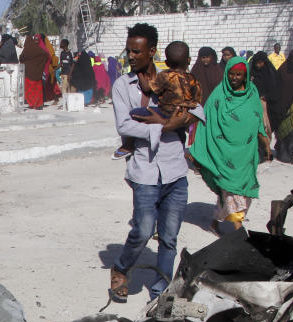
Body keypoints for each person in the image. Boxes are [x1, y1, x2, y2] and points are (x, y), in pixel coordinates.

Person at [108, 25, 202, 302]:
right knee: (144, 229)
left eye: (137, 51)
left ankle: (160, 292)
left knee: (170, 237)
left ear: (152, 51)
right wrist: (163, 127)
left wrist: (166, 121)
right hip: (145, 169)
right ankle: (121, 267)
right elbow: (124, 124)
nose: (131, 55)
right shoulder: (122, 85)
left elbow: (197, 108)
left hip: (174, 168)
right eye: (129, 50)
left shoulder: (174, 79)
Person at [189, 57, 269, 234]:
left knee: (240, 192)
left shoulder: (252, 93)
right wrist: (199, 148)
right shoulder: (218, 95)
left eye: (239, 74)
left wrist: (266, 144)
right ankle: (239, 232)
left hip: (245, 155)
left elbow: (258, 122)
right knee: (232, 193)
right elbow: (205, 123)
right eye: (231, 74)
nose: (234, 78)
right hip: (223, 154)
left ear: (245, 75)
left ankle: (215, 223)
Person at [116, 41, 200, 159]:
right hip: (183, 114)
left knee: (135, 114)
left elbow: (147, 87)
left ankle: (128, 145)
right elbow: (197, 102)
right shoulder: (193, 80)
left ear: (166, 63)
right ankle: (180, 145)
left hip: (166, 112)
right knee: (179, 132)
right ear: (189, 60)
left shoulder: (166, 76)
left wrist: (139, 73)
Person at [250, 51, 279, 144]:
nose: (258, 65)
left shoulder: (270, 73)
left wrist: (266, 97)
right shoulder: (252, 73)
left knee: (265, 126)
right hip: (252, 104)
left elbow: (275, 89)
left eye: (260, 62)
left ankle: (264, 148)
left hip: (266, 105)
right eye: (257, 62)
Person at [19, 35, 49, 110]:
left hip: (28, 73)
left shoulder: (26, 50)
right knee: (38, 89)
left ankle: (32, 103)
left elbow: (21, 58)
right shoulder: (38, 49)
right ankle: (39, 104)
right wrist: (40, 65)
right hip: (37, 73)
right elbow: (46, 55)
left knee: (29, 90)